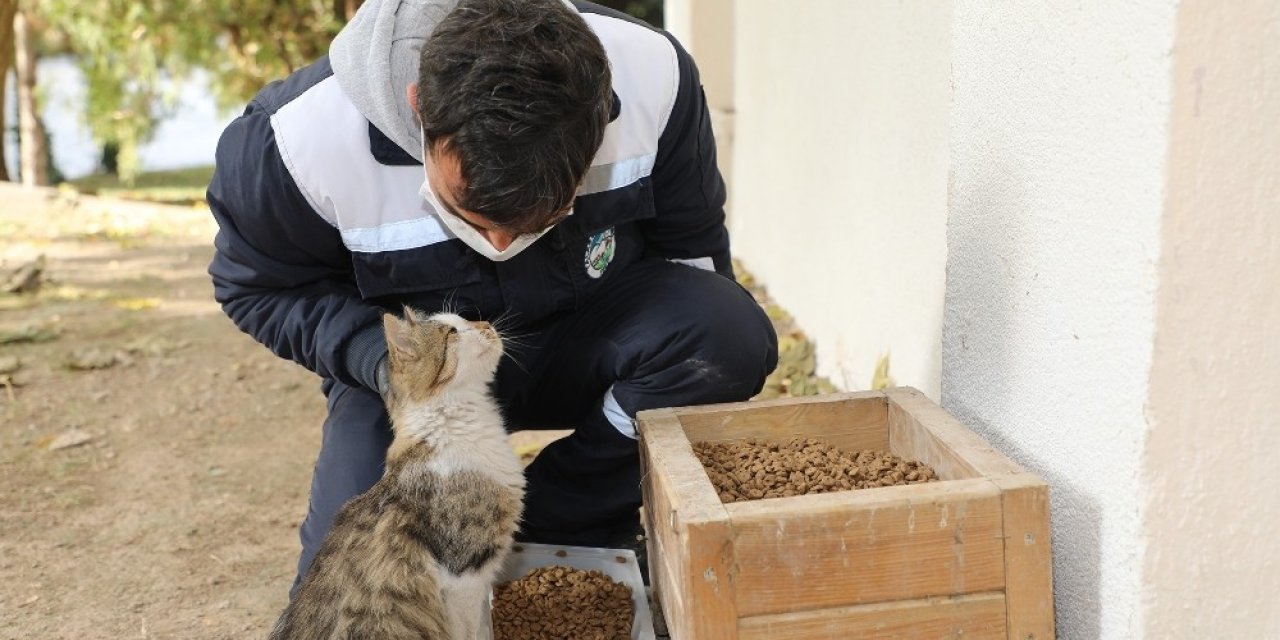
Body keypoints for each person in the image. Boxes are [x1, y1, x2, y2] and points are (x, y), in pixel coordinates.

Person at [206, 0, 778, 595]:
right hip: (416, 381)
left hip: (591, 336)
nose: (502, 243)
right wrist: (380, 361)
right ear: (419, 108)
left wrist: (699, 414)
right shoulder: (295, 142)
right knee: (351, 579)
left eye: (544, 214)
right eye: (471, 215)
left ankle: (565, 519)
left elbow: (691, 248)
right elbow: (262, 288)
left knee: (726, 335)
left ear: (599, 117)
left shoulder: (652, 73)